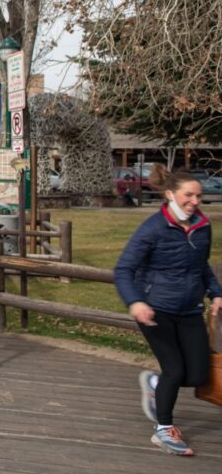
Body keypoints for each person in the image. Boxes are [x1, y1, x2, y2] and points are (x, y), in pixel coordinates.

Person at [114, 165, 222, 457]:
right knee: (174, 369)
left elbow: (202, 266)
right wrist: (136, 302)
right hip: (155, 310)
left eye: (198, 196)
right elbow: (123, 269)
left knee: (198, 374)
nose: (195, 201)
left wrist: (216, 293)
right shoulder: (152, 228)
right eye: (189, 195)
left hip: (190, 309)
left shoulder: (202, 226)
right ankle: (164, 430)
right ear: (170, 194)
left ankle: (154, 383)